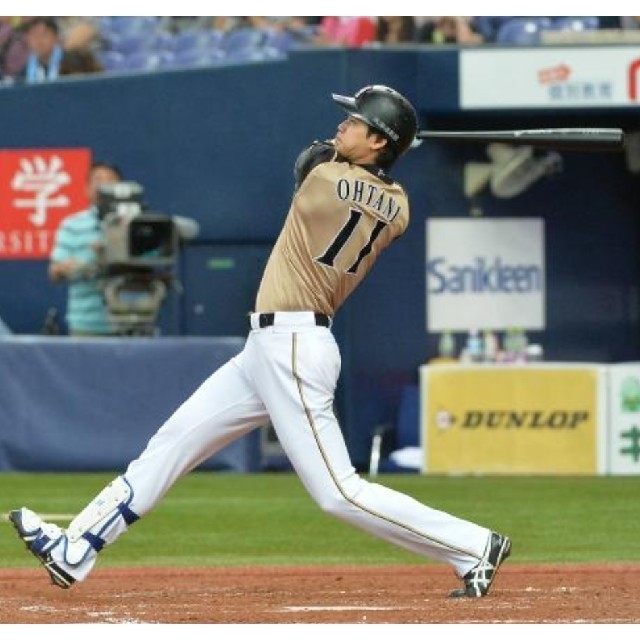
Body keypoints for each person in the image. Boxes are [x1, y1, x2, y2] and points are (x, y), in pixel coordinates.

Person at [8, 84, 511, 599]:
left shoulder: (323, 176)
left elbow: (316, 167)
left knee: (338, 493)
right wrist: (369, 151)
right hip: (267, 348)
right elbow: (360, 184)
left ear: (380, 141)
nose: (341, 126)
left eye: (355, 121)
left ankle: (472, 545)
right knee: (171, 444)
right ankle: (78, 546)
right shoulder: (397, 206)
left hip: (295, 343)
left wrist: (343, 155)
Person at [48, 161, 123, 337]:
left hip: (130, 321)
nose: (104, 185)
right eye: (98, 180)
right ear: (87, 189)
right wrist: (66, 268)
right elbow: (54, 273)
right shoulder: (71, 226)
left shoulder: (135, 224)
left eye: (111, 180)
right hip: (86, 324)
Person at [20, 16, 64, 83]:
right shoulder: (25, 69)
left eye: (44, 35)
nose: (39, 41)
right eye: (34, 36)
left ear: (56, 38)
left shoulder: (70, 62)